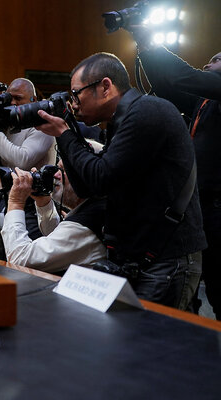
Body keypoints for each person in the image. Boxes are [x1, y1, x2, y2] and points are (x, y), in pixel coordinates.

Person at [35, 52, 206, 310]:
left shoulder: (148, 111)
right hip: (143, 256)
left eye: (76, 94)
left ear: (105, 86)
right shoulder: (122, 120)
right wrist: (64, 133)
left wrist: (66, 133)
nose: (74, 104)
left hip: (166, 257)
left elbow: (102, 177)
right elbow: (86, 186)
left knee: (156, 345)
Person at [130, 30, 221, 319]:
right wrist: (145, 47)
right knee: (189, 286)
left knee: (218, 289)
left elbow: (184, 76)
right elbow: (167, 85)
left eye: (216, 59)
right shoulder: (204, 102)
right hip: (198, 207)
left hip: (219, 209)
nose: (207, 64)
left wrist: (154, 44)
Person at [1, 144, 107, 274]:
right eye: (57, 168)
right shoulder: (95, 207)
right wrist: (44, 203)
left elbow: (20, 260)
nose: (56, 175)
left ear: (85, 175)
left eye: (64, 170)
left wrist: (15, 202)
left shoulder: (87, 223)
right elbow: (57, 238)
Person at [0, 78, 55, 240]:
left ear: (33, 100)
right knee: (9, 254)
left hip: (36, 203)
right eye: (9, 98)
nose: (12, 102)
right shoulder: (5, 126)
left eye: (18, 98)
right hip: (12, 198)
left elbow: (22, 160)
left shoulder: (41, 125)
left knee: (29, 257)